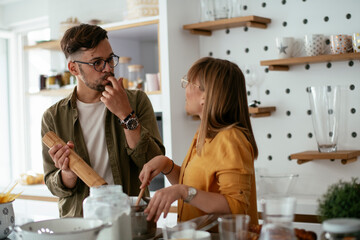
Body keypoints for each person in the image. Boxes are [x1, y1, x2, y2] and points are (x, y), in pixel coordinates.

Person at [41, 24, 165, 218]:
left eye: (110, 59)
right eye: (97, 62)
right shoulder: (53, 117)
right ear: (74, 68)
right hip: (80, 225)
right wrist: (68, 174)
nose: (108, 68)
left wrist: (126, 115)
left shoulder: (136, 101)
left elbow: (153, 164)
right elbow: (52, 185)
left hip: (130, 220)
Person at [139, 57, 259, 226]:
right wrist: (166, 165)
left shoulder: (231, 139)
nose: (185, 88)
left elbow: (236, 208)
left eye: (189, 83)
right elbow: (195, 188)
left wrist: (183, 191)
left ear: (206, 96)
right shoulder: (205, 134)